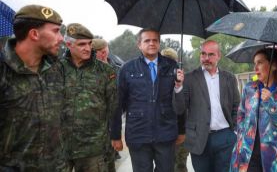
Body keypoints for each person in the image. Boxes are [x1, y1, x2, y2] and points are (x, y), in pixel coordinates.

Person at [0, 4, 66, 171]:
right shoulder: (4, 70)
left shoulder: (56, 68)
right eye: (56, 31)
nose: (61, 38)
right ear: (34, 34)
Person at [111, 28, 178, 172]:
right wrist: (115, 135)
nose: (152, 43)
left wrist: (182, 129)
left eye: (155, 40)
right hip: (138, 134)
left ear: (159, 44)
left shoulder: (172, 67)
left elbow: (178, 101)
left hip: (165, 133)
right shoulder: (127, 69)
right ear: (139, 45)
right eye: (147, 40)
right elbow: (118, 104)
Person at [230, 48, 277, 172]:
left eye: (260, 62)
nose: (255, 67)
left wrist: (271, 103)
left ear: (273, 65)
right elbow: (241, 115)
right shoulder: (249, 88)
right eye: (254, 63)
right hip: (248, 155)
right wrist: (242, 135)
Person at [174, 40, 240, 172]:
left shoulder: (229, 78)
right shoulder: (189, 78)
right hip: (198, 140)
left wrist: (234, 131)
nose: (206, 58)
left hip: (225, 138)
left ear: (218, 56)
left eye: (211, 54)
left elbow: (236, 106)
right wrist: (178, 86)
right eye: (203, 54)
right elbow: (179, 108)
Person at [61, 23, 117, 172]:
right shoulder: (55, 68)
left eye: (89, 43)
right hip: (60, 147)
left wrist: (115, 137)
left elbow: (114, 107)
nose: (87, 48)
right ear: (68, 44)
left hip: (93, 148)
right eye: (81, 44)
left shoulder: (105, 71)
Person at [161, 47, 189, 172]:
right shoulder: (159, 77)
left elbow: (183, 108)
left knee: (179, 165)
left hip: (178, 130)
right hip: (163, 131)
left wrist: (182, 131)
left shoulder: (181, 79)